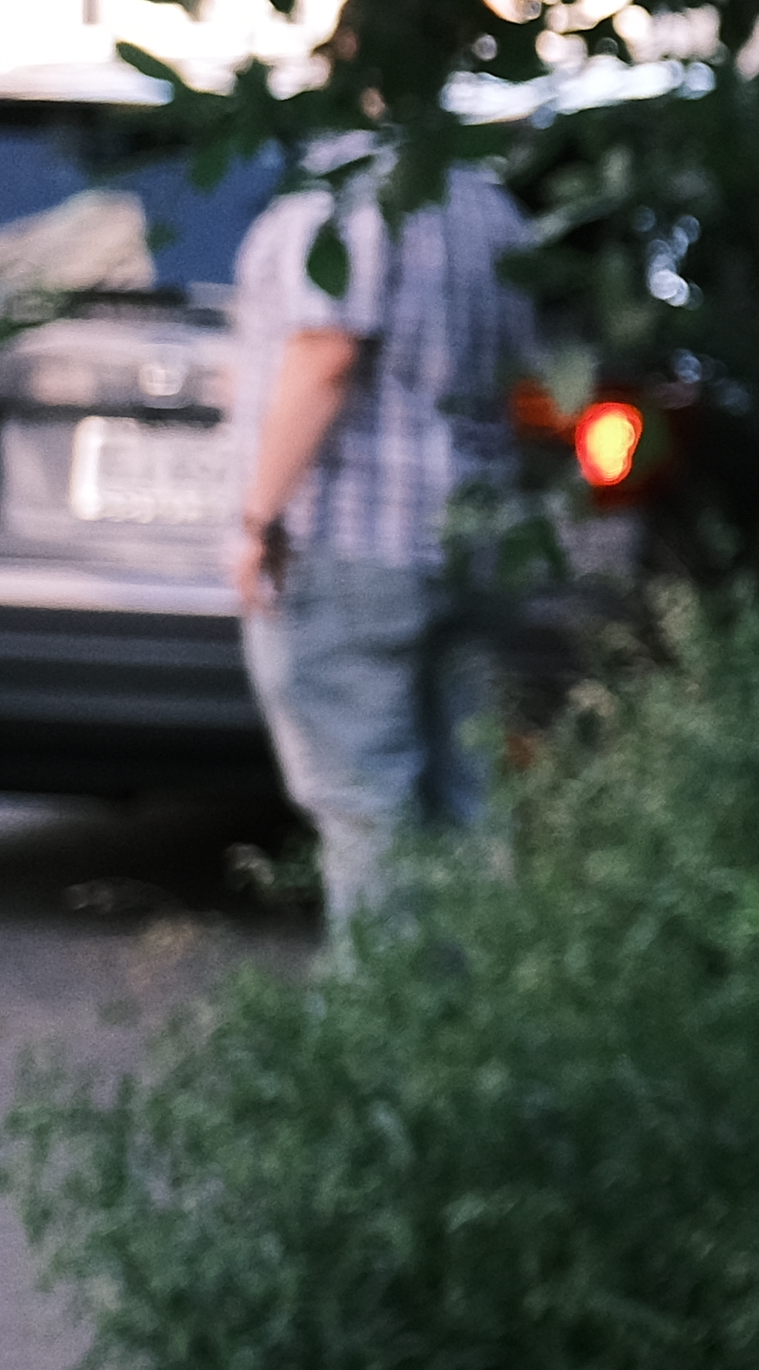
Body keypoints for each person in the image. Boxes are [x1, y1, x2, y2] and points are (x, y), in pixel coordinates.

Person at [221, 102, 532, 930]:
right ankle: (483, 1031)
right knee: (468, 802)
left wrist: (256, 519)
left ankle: (381, 1039)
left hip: (352, 536)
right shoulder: (487, 202)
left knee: (365, 805)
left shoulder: (342, 201)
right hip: (472, 540)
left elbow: (324, 353)